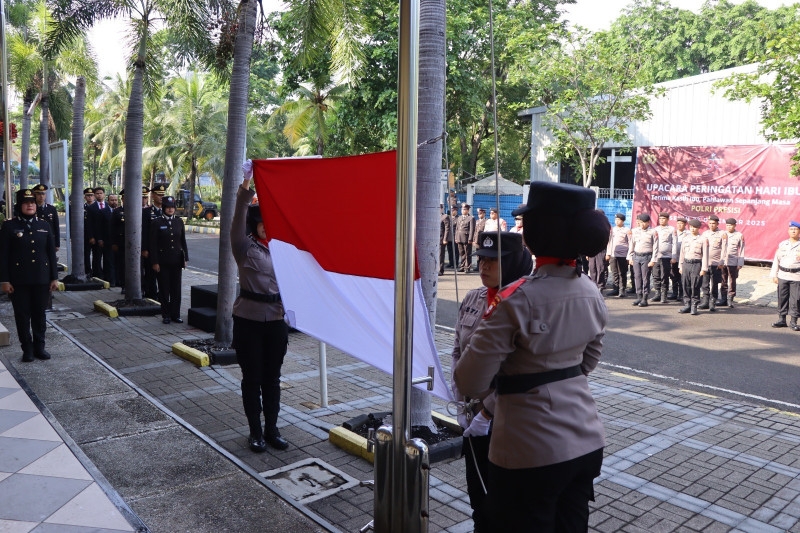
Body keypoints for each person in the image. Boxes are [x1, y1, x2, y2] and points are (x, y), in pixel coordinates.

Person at [454, 181, 609, 532]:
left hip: (529, 448)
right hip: (585, 441)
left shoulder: (516, 299)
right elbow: (588, 363)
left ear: (536, 235)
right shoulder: (591, 292)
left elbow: (470, 381)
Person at [452, 230, 533, 532]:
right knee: (478, 495)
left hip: (507, 420)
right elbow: (458, 349)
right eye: (481, 259)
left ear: (511, 263)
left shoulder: (521, 303)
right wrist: (461, 398)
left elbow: (522, 368)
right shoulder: (473, 298)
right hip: (472, 417)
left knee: (506, 501)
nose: (483, 267)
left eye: (492, 261)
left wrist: (487, 411)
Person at [233, 160, 290, 453]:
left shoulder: (283, 250)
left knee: (272, 377)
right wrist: (246, 185)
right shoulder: (243, 246)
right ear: (255, 225)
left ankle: (272, 429)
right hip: (249, 320)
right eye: (262, 222)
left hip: (277, 320)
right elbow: (238, 213)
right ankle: (254, 432)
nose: (267, 226)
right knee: (252, 378)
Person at [0, 190, 59, 361]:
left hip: (42, 279)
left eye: (32, 202)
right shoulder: (9, 226)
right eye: (26, 202)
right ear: (19, 205)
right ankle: (27, 349)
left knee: (40, 315)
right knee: (22, 315)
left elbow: (50, 255)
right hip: (19, 281)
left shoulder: (44, 225)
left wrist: (54, 278)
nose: (30, 205)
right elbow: (3, 256)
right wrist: (4, 280)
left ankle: (40, 347)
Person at [150, 195, 188, 324]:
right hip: (162, 262)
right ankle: (166, 314)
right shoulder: (157, 222)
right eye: (168, 207)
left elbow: (183, 241)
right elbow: (153, 244)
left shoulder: (179, 221)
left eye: (172, 207)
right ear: (164, 208)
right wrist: (155, 262)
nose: (171, 210)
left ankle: (175, 314)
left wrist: (185, 258)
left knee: (176, 289)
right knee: (164, 289)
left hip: (177, 261)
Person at [769, 221, 800, 330]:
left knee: (795, 300)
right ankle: (781, 319)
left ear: (799, 231)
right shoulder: (782, 244)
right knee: (782, 298)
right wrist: (774, 275)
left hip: (796, 276)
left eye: (796, 229)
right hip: (783, 275)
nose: (793, 231)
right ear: (788, 231)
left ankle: (793, 321)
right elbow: (776, 260)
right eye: (791, 229)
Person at [627, 213, 659, 307]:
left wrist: (653, 260)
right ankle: (639, 297)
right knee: (637, 277)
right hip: (636, 256)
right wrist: (630, 257)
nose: (641, 224)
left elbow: (656, 247)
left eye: (643, 222)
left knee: (645, 278)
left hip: (647, 257)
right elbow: (631, 245)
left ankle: (645, 299)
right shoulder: (635, 231)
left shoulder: (653, 232)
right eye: (640, 222)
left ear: (648, 222)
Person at [678, 219, 707, 316]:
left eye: (694, 227)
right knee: (685, 284)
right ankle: (687, 304)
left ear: (699, 228)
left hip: (696, 264)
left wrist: (703, 269)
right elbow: (682, 253)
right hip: (686, 264)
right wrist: (680, 266)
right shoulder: (686, 238)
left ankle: (694, 305)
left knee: (695, 285)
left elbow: (705, 255)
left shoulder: (702, 239)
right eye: (691, 227)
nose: (692, 229)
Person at [700, 214, 726, 311]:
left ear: (717, 224)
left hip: (716, 264)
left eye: (713, 223)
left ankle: (712, 302)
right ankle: (705, 302)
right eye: (710, 223)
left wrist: (721, 261)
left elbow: (724, 249)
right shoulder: (705, 233)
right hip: (706, 263)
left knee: (714, 284)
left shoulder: (722, 234)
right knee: (705, 284)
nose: (711, 225)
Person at [651, 212, 677, 304]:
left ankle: (664, 296)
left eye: (663, 219)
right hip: (656, 256)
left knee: (664, 276)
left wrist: (674, 256)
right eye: (660, 219)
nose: (661, 220)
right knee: (656, 275)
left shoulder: (671, 229)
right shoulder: (655, 229)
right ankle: (657, 294)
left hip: (666, 257)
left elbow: (674, 244)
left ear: (667, 219)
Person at [88, 186, 113, 280]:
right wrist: (91, 237)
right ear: (94, 195)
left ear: (104, 194)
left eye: (101, 193)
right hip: (96, 236)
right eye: (97, 193)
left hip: (107, 237)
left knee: (108, 258)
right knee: (97, 257)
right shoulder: (91, 208)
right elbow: (89, 224)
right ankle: (97, 275)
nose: (99, 195)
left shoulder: (108, 205)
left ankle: (108, 276)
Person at [720, 218, 744, 308]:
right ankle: (723, 299)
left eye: (731, 225)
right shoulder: (723, 234)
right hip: (723, 261)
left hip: (733, 262)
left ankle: (730, 298)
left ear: (735, 226)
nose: (729, 227)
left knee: (732, 281)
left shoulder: (739, 235)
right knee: (723, 280)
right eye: (727, 225)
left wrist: (740, 263)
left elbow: (741, 250)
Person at [142, 186, 161, 299]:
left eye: (163, 195)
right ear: (153, 195)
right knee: (150, 274)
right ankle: (151, 295)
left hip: (163, 249)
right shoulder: (147, 212)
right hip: (150, 248)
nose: (161, 197)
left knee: (163, 275)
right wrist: (144, 248)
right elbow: (144, 231)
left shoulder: (167, 210)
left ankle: (161, 295)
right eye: (159, 194)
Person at [605, 213, 629, 297]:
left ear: (622, 221)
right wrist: (608, 253)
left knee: (622, 272)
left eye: (618, 220)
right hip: (613, 254)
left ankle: (622, 289)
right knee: (614, 272)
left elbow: (630, 243)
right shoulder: (613, 230)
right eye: (615, 220)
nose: (616, 221)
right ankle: (615, 288)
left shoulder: (627, 230)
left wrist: (629, 256)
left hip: (623, 255)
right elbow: (609, 242)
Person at [32, 184, 60, 252]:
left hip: (49, 239)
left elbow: (56, 227)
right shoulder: (32, 208)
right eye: (38, 194)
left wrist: (57, 244)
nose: (41, 196)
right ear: (35, 195)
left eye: (43, 194)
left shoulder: (51, 209)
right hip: (36, 239)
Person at [110, 190, 126, 289]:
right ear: (122, 199)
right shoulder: (117, 211)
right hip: (121, 242)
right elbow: (112, 228)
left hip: (133, 243)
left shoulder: (137, 210)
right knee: (121, 264)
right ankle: (123, 284)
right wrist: (114, 243)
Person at [670, 217, 689, 301]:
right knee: (674, 276)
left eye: (681, 223)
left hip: (683, 260)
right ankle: (674, 293)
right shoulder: (674, 232)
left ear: (685, 224)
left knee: (682, 278)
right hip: (674, 258)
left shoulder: (688, 233)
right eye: (678, 223)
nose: (679, 225)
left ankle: (681, 294)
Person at [455, 203, 476, 272]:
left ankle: (467, 267)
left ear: (468, 210)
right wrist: (456, 237)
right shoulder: (459, 217)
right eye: (462, 209)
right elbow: (457, 228)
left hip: (466, 238)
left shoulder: (471, 218)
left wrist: (470, 239)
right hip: (459, 237)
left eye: (464, 209)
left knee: (467, 253)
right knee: (462, 253)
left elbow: (472, 229)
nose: (463, 211)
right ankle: (462, 266)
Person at [83, 187, 95, 277]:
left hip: (97, 235)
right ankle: (88, 270)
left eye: (91, 195)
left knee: (97, 255)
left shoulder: (98, 207)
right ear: (85, 197)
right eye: (88, 196)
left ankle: (96, 271)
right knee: (86, 254)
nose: (90, 197)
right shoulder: (81, 208)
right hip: (85, 235)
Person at [439, 204, 454, 274]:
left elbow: (447, 229)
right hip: (435, 239)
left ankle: (440, 270)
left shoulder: (445, 217)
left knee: (440, 255)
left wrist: (445, 239)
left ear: (442, 209)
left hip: (441, 238)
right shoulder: (434, 216)